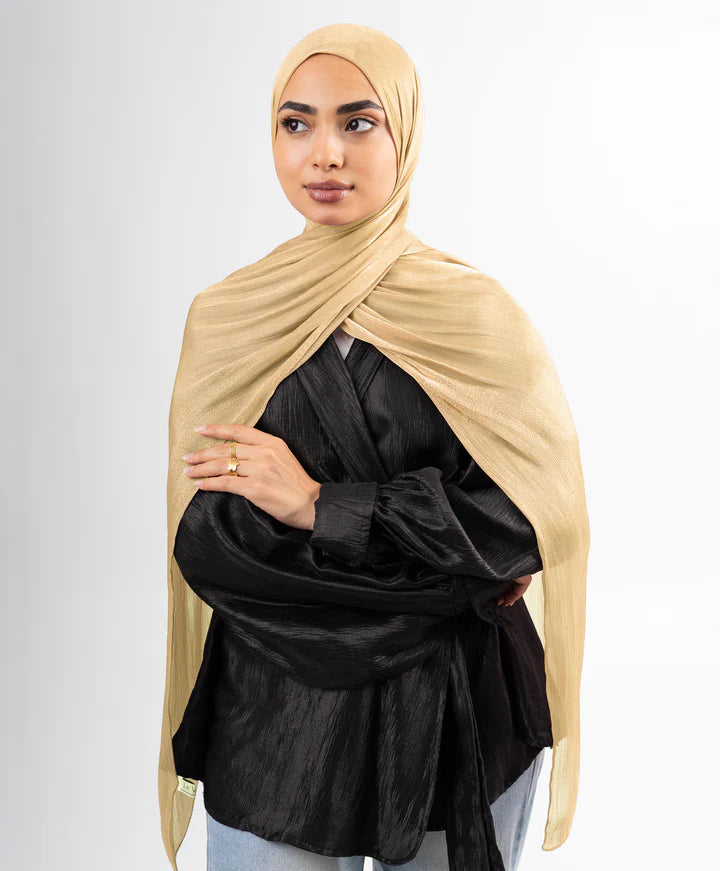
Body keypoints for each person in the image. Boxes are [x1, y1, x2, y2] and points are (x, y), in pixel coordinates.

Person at [158, 23, 590, 871]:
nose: (325, 153)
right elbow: (214, 547)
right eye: (296, 123)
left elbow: (527, 527)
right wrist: (447, 572)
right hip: (276, 723)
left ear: (406, 133)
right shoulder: (231, 320)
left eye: (358, 122)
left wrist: (319, 506)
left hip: (457, 723)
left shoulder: (476, 318)